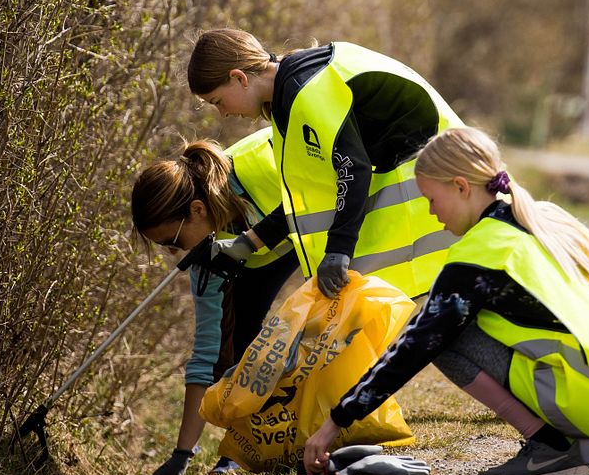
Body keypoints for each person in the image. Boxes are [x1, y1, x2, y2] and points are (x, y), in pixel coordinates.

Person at [303, 127, 589, 475]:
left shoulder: (481, 251)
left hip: (588, 399)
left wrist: (334, 423)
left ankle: (548, 448)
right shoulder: (547, 218)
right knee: (455, 321)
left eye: (431, 200)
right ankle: (554, 440)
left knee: (441, 336)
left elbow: (416, 344)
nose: (432, 212)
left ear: (462, 187)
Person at [187, 27, 464, 300]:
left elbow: (352, 169)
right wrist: (247, 244)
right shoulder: (294, 94)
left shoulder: (306, 92)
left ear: (239, 78)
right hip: (442, 198)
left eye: (218, 101)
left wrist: (338, 250)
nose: (223, 113)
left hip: (435, 207)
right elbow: (312, 193)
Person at [131, 128, 299, 475]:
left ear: (196, 210)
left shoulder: (262, 173)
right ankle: (249, 443)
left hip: (326, 222)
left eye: (171, 242)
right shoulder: (206, 260)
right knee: (237, 335)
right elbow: (208, 353)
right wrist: (182, 454)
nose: (173, 255)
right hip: (268, 249)